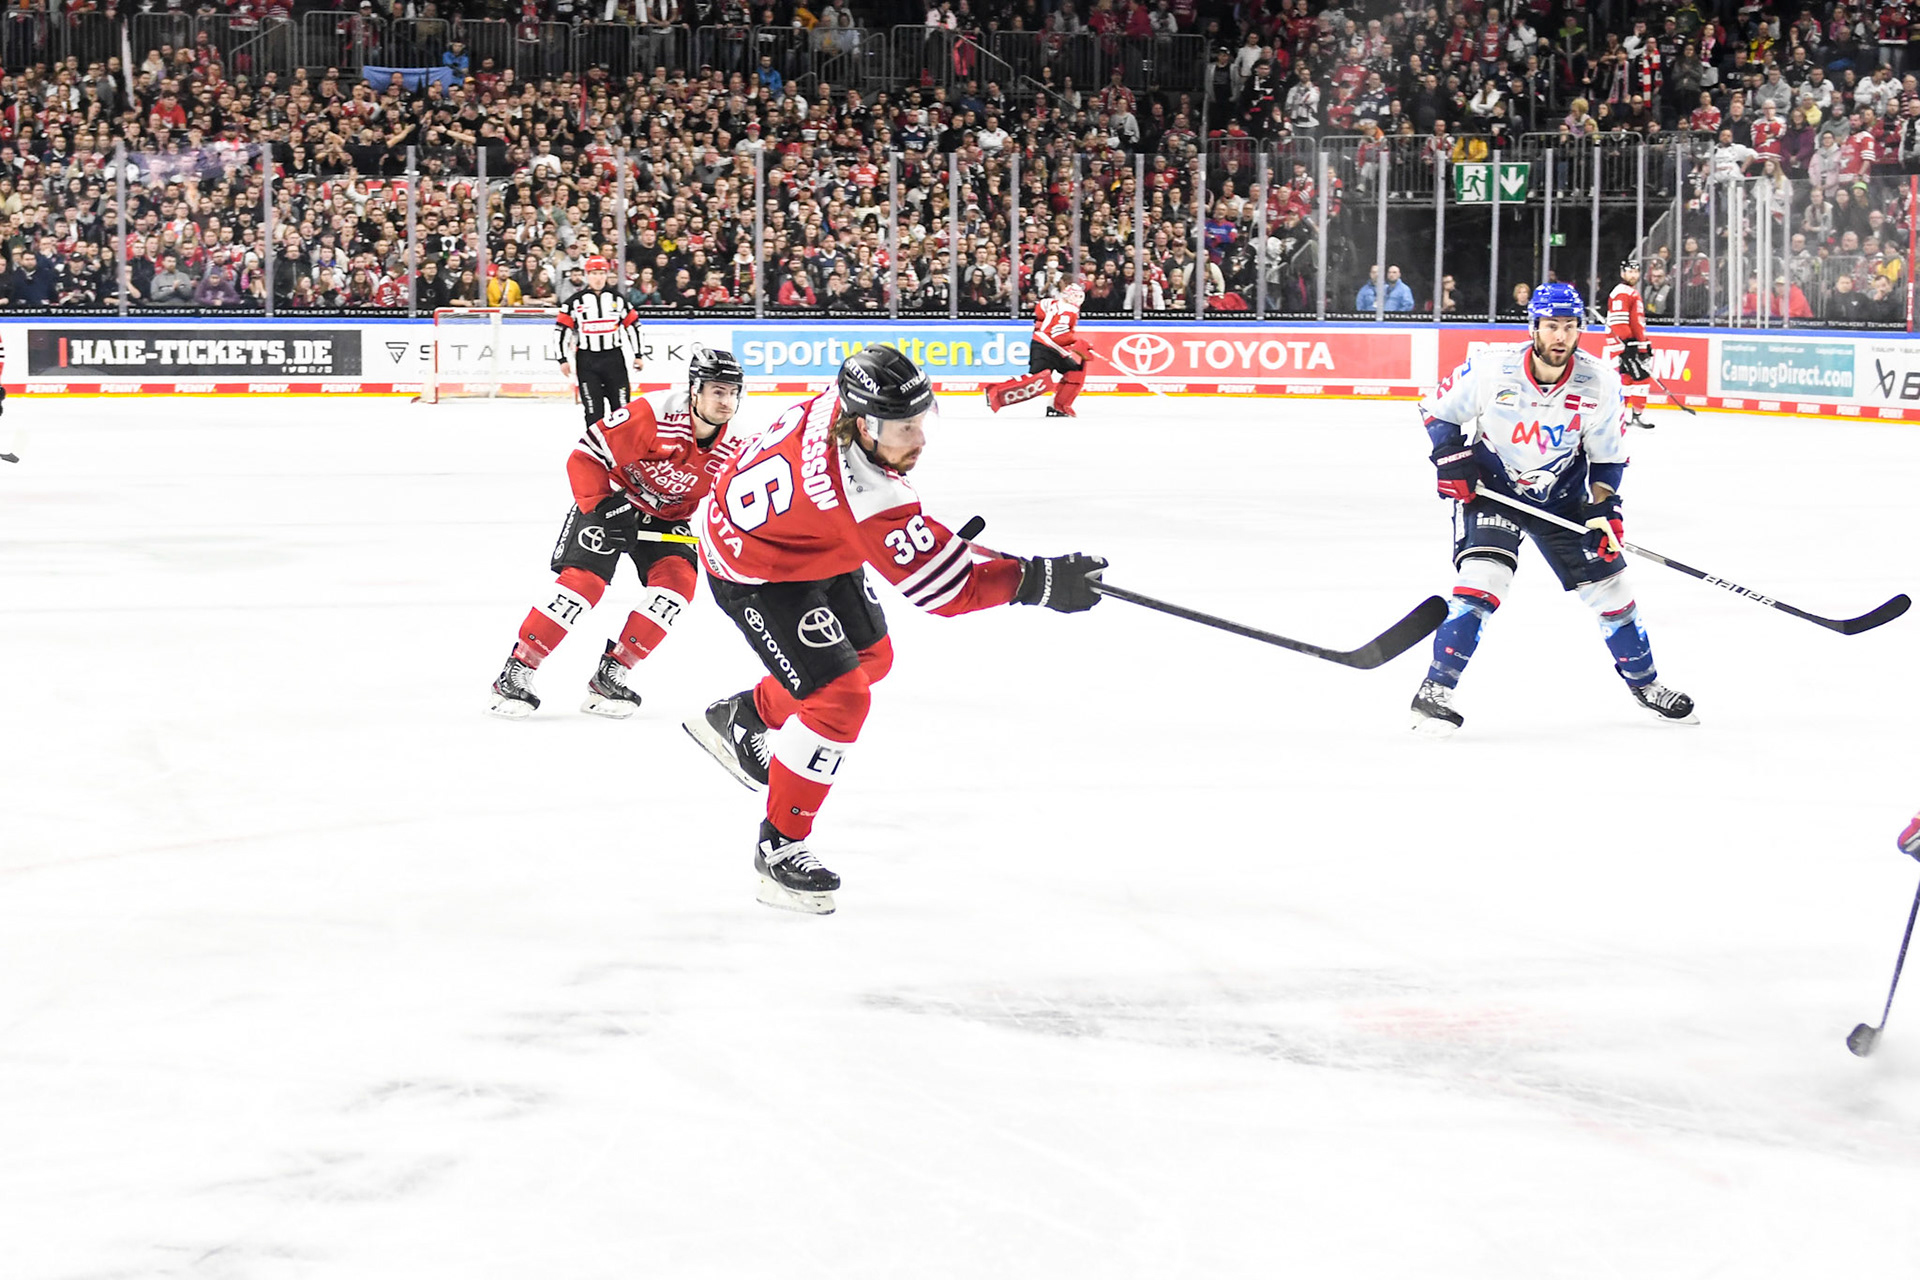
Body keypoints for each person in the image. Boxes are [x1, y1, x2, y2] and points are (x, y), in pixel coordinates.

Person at [683, 346, 1107, 914]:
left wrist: (915, 532)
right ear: (864, 423)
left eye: (921, 420)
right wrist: (1039, 582)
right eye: (904, 428)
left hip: (808, 542)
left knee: (871, 658)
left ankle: (741, 717)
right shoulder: (866, 498)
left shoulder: (843, 413)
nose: (920, 439)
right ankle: (780, 850)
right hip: (754, 569)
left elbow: (878, 515)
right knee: (841, 697)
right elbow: (948, 593)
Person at [1411, 282, 1697, 736]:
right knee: (1483, 581)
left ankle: (1647, 685)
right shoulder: (1491, 369)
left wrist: (1607, 511)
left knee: (1613, 592)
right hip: (1493, 491)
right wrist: (1450, 457)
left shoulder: (1599, 382)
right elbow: (1436, 409)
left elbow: (1607, 458)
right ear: (1534, 327)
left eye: (1569, 326)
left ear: (1580, 329)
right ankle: (1435, 689)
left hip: (1562, 500)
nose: (1560, 336)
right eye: (1551, 326)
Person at [489, 348, 749, 719]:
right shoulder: (654, 413)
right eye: (718, 392)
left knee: (677, 588)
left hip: (666, 516)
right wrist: (603, 506)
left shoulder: (740, 443)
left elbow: (738, 501)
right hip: (613, 500)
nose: (727, 401)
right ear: (695, 390)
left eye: (733, 392)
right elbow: (586, 456)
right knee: (583, 586)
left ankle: (613, 671)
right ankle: (518, 670)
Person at [556, 255, 643, 429]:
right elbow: (560, 331)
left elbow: (634, 327)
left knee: (622, 410)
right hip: (587, 361)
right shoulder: (574, 302)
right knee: (593, 412)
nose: (598, 278)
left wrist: (638, 354)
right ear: (587, 275)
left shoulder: (618, 300)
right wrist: (562, 359)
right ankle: (596, 452)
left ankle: (621, 452)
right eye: (594, 273)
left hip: (614, 360)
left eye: (602, 273)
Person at [983, 281, 1091, 417]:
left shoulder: (1052, 303)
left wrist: (1043, 326)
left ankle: (1058, 406)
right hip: (1048, 348)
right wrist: (1078, 342)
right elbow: (1058, 336)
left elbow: (1039, 310)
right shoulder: (1070, 311)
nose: (1079, 300)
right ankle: (996, 391)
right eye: (1078, 297)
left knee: (1073, 372)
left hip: (1046, 345)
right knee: (1035, 380)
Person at [1606, 258, 1653, 429]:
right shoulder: (1622, 292)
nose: (1633, 275)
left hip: (1631, 342)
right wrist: (1629, 343)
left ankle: (1623, 414)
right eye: (1629, 271)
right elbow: (1619, 322)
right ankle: (1637, 415)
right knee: (1642, 377)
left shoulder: (1630, 292)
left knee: (1627, 377)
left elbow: (1637, 322)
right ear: (1622, 273)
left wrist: (1644, 343)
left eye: (1636, 271)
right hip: (1625, 343)